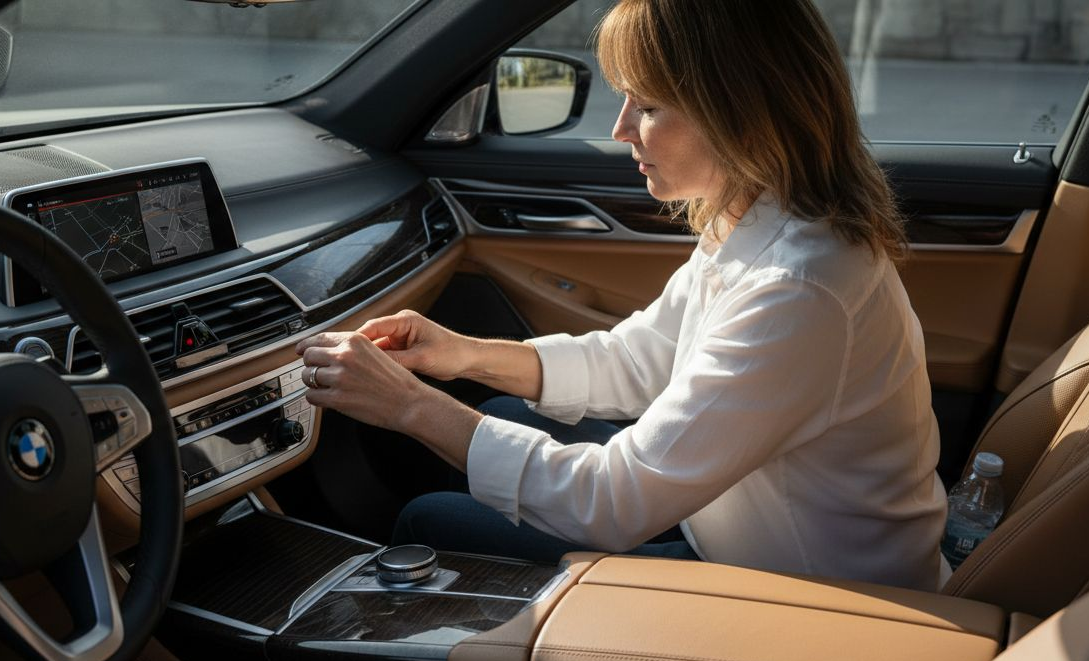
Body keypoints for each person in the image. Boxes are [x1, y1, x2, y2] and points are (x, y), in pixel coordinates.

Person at [296, 0, 949, 591]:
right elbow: (643, 357)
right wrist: (465, 355)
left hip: (805, 597)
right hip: (738, 530)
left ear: (742, 113)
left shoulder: (799, 288)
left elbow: (613, 501)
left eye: (649, 105)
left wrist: (409, 406)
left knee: (427, 518)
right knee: (504, 409)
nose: (621, 128)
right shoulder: (762, 217)